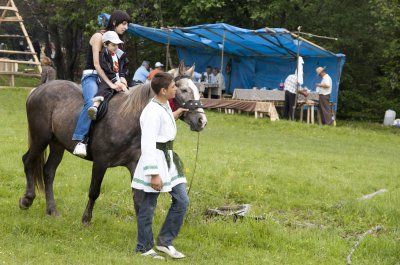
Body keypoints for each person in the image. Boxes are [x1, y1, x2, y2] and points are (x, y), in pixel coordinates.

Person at [132, 72, 189, 260]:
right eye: (173, 87)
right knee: (148, 206)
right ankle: (144, 247)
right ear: (163, 90)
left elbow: (163, 121)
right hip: (155, 160)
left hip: (169, 159)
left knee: (182, 200)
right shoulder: (151, 111)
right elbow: (147, 143)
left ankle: (165, 241)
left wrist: (177, 113)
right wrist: (153, 174)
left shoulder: (163, 105)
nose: (176, 89)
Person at [72, 10, 130, 157]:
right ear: (115, 22)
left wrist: (122, 80)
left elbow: (121, 67)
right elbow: (98, 64)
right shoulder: (99, 36)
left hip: (112, 78)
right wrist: (111, 84)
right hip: (93, 76)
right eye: (123, 23)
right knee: (91, 102)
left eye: (127, 24)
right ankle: (81, 140)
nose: (126, 27)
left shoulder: (118, 44)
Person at [87, 31, 127, 120]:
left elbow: (122, 67)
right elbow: (107, 69)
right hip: (107, 79)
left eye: (117, 45)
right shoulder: (103, 55)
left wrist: (122, 79)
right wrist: (115, 81)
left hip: (116, 79)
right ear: (105, 44)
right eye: (113, 45)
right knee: (104, 89)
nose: (116, 47)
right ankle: (95, 107)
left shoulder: (118, 54)